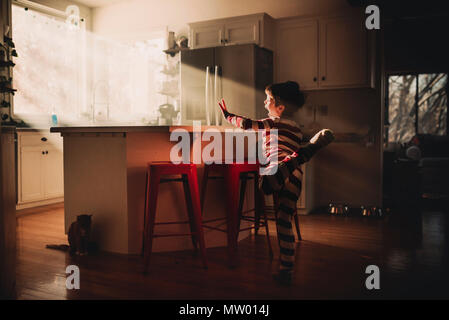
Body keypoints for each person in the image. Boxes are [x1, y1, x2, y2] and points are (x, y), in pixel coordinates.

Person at [218, 81, 334, 285]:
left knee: (265, 187)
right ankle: (285, 271)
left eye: (269, 99)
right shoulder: (297, 129)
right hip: (294, 173)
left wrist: (228, 115)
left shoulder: (273, 122)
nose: (265, 102)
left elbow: (247, 125)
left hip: (279, 167)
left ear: (280, 107)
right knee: (284, 220)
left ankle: (301, 156)